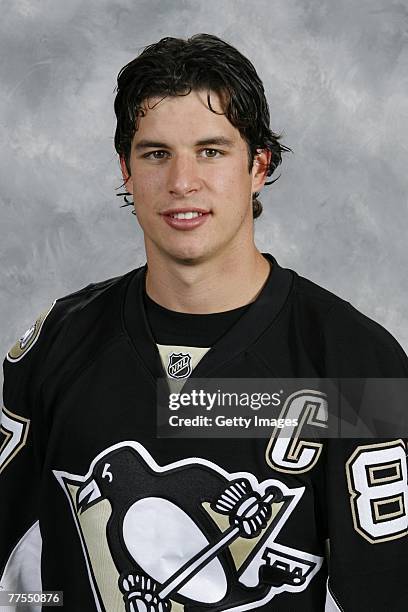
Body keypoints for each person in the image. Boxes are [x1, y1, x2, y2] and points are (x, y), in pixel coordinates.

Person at [1, 33, 407, 612]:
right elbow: (13, 586)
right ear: (126, 169)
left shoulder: (353, 363)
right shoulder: (57, 344)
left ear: (258, 165)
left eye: (211, 151)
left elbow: (385, 593)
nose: (181, 182)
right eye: (156, 153)